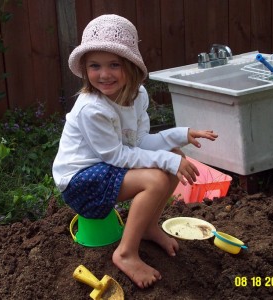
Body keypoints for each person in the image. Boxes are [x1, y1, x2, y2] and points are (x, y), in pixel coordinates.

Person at [52, 14, 218, 289]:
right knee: (156, 176)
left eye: (114, 65)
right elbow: (117, 156)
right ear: (85, 70)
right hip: (79, 182)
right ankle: (126, 253)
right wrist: (165, 161)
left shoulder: (137, 95)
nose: (104, 74)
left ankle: (149, 227)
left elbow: (139, 141)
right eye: (95, 66)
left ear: (131, 67)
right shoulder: (92, 108)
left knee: (175, 156)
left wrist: (181, 134)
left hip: (106, 169)